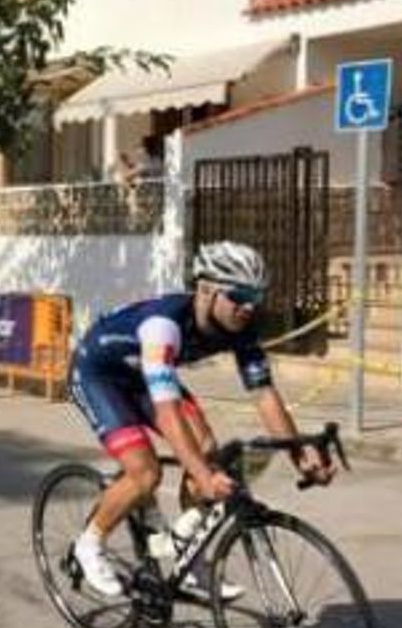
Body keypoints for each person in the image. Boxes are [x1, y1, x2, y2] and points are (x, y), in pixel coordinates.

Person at [67, 241, 335, 601]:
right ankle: (89, 544)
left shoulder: (242, 329)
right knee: (145, 472)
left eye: (256, 296)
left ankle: (185, 555)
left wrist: (300, 455)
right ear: (207, 290)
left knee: (207, 448)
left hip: (142, 374)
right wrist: (205, 478)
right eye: (239, 295)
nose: (249, 306)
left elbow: (265, 396)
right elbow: (167, 412)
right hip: (99, 374)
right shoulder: (164, 326)